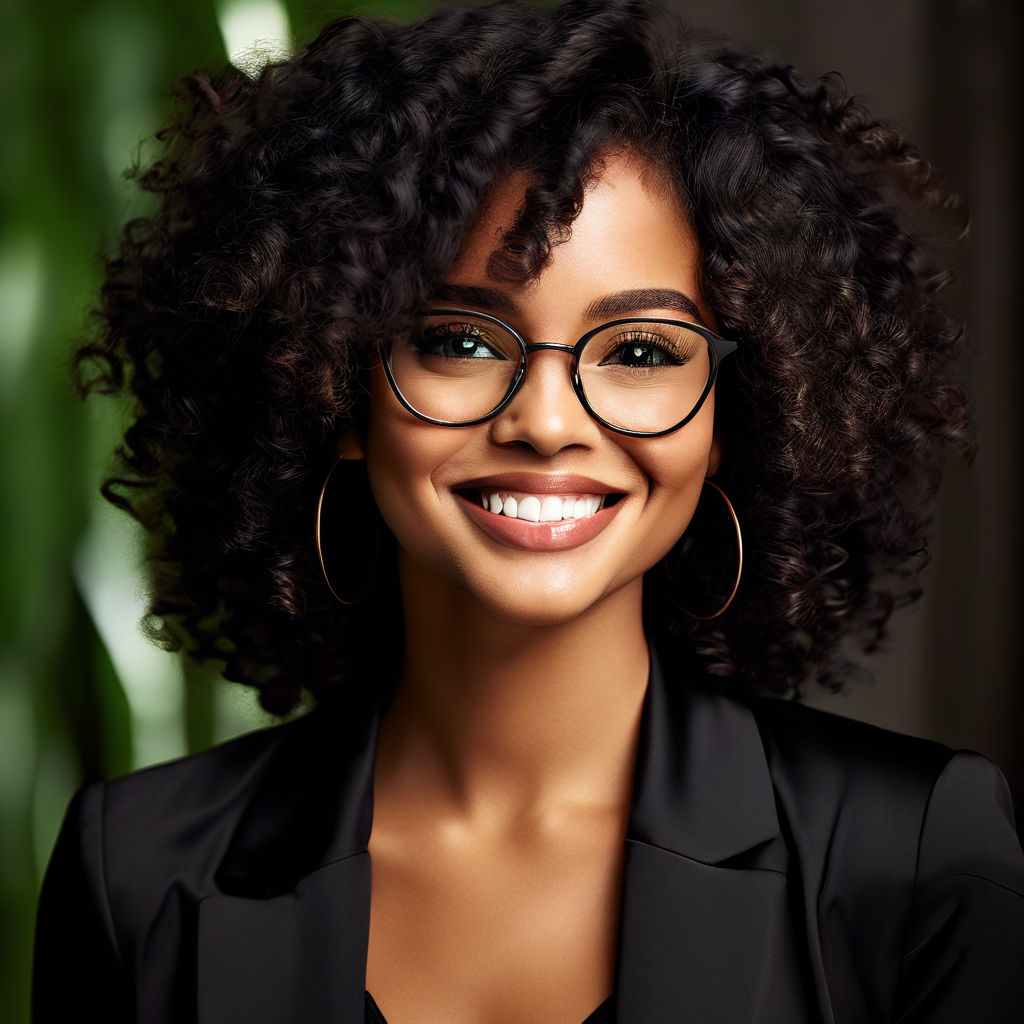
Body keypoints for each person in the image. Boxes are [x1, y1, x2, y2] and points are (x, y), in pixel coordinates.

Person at [32, 1, 1024, 1021]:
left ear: (734, 416)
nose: (546, 421)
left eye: (640, 351)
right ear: (330, 384)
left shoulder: (910, 857)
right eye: (460, 341)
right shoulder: (139, 874)